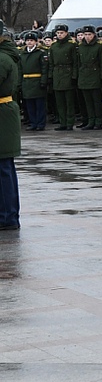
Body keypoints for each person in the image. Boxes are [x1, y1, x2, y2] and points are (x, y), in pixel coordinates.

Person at [0, 23, 19, 231]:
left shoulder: (2, 59)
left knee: (4, 169)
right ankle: (7, 214)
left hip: (3, 115)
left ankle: (8, 217)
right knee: (5, 168)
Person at [74, 24, 102, 130]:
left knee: (96, 101)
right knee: (87, 101)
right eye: (85, 34)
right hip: (84, 75)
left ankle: (98, 121)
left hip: (95, 74)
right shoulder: (80, 47)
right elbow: (78, 63)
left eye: (89, 34)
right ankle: (90, 120)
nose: (87, 36)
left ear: (94, 35)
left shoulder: (99, 46)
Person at [47, 24, 76, 130]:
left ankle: (69, 123)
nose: (59, 35)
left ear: (66, 33)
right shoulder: (54, 46)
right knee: (59, 102)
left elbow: (75, 62)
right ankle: (62, 122)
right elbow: (51, 63)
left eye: (61, 33)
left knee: (69, 101)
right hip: (57, 74)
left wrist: (74, 76)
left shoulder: (71, 45)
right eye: (58, 33)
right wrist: (50, 76)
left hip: (67, 72)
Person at [18, 31, 48, 132]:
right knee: (29, 104)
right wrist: (19, 82)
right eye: (28, 40)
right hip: (26, 81)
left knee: (39, 104)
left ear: (36, 42)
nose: (29, 42)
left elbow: (44, 68)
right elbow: (20, 69)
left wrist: (43, 81)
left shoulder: (40, 53)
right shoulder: (22, 54)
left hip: (37, 80)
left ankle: (40, 123)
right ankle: (33, 123)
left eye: (31, 40)